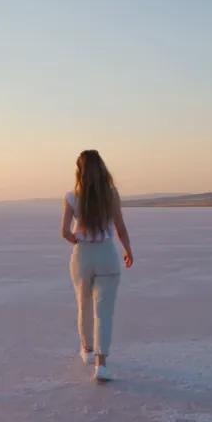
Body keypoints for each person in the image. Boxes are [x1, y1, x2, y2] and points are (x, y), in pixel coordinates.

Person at [61, 149, 134, 382]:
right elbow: (120, 227)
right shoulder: (111, 194)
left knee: (84, 305)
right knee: (104, 311)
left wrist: (79, 241)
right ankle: (101, 364)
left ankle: (87, 350)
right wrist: (128, 250)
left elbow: (64, 232)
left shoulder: (72, 197)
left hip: (82, 255)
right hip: (107, 254)